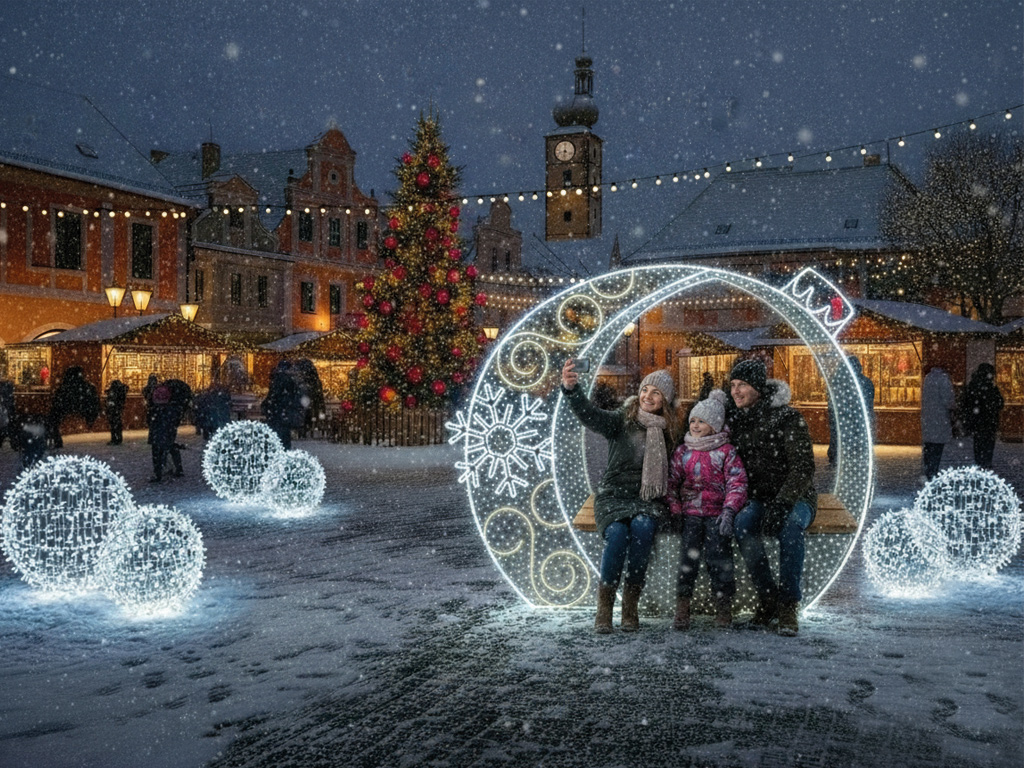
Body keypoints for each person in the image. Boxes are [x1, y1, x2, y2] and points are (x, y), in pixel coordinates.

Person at [561, 360, 680, 633]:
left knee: (643, 527)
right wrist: (572, 390)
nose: (647, 397)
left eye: (655, 393)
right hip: (613, 495)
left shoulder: (669, 430)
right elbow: (589, 414)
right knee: (617, 534)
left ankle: (630, 606)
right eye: (644, 390)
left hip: (646, 499)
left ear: (665, 400)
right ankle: (604, 608)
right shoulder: (621, 420)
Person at [726, 358, 816, 636]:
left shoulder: (787, 417)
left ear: (758, 388)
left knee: (790, 528)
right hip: (759, 498)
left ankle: (788, 605)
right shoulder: (737, 419)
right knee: (742, 526)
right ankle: (768, 598)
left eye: (742, 385)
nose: (736, 391)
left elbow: (803, 467)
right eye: (732, 385)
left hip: (795, 496)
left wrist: (784, 502)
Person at [667, 389, 748, 630]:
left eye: (702, 421)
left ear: (714, 426)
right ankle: (683, 606)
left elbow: (737, 482)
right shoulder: (684, 451)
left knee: (720, 560)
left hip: (716, 516)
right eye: (693, 420)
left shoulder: (725, 452)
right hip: (690, 515)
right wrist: (675, 507)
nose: (695, 425)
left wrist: (729, 511)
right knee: (687, 563)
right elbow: (672, 481)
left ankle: (723, 606)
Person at [827, 355, 875, 465]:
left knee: (840, 437)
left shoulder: (838, 382)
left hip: (844, 417)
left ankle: (838, 457)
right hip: (858, 417)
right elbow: (869, 402)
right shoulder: (865, 382)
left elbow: (832, 402)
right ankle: (856, 458)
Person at [959, 363, 1004, 469]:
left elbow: (965, 403)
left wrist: (969, 417)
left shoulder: (973, 385)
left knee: (979, 443)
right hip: (989, 421)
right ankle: (986, 464)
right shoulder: (991, 387)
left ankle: (980, 463)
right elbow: (1000, 403)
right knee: (988, 444)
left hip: (977, 421)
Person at [47, 366, 100, 448]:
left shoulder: (65, 388)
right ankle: (56, 440)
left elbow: (57, 401)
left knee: (53, 422)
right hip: (75, 406)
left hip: (67, 406)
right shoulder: (86, 387)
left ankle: (55, 441)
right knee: (53, 422)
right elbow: (93, 401)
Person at [920, 365, 956, 479]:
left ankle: (928, 471)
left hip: (928, 418)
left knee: (929, 447)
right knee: (937, 447)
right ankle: (933, 471)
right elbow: (948, 401)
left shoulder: (927, 378)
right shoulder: (944, 380)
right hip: (940, 419)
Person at [262, 360, 303, 449]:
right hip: (284, 413)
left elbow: (273, 396)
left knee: (277, 435)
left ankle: (279, 451)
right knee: (284, 437)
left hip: (277, 413)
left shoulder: (278, 379)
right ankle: (284, 452)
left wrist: (266, 406)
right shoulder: (290, 380)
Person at [148, 383, 183, 482]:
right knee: (170, 449)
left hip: (158, 433)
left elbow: (150, 421)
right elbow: (175, 421)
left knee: (157, 454)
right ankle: (176, 468)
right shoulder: (172, 408)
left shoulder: (155, 409)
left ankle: (159, 472)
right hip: (168, 433)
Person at [105, 379, 128, 445]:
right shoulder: (120, 391)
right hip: (117, 410)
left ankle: (115, 438)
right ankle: (118, 438)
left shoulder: (114, 392)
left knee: (113, 425)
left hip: (114, 410)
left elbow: (111, 400)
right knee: (117, 424)